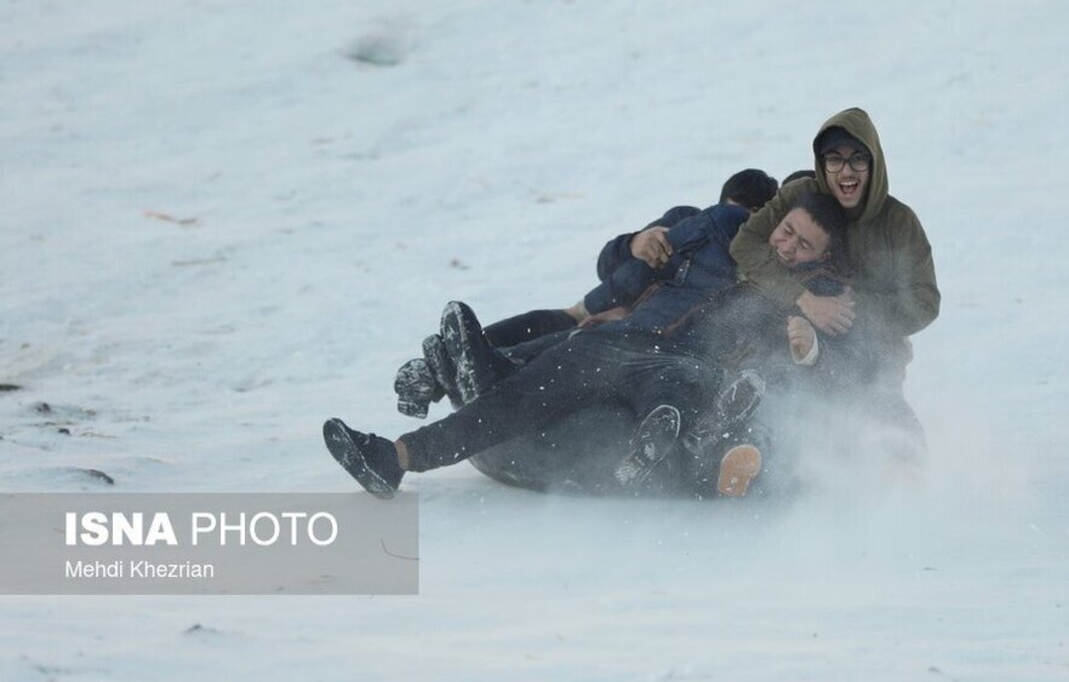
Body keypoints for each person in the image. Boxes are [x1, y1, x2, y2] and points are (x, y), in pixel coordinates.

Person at [322, 192, 850, 500]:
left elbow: (825, 367)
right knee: (518, 398)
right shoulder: (722, 232)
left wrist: (806, 345)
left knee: (675, 397)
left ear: (818, 260)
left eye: (802, 245)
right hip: (616, 340)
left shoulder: (809, 298)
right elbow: (628, 264)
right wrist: (639, 240)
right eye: (786, 231)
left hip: (684, 365)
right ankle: (397, 456)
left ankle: (658, 454)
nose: (786, 246)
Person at [394, 169, 779, 415]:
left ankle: (470, 374)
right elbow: (607, 266)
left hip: (634, 338)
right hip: (599, 309)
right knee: (552, 320)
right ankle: (437, 369)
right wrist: (633, 243)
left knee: (573, 339)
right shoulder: (685, 221)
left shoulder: (745, 275)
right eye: (729, 214)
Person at [730, 107, 939, 448]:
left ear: (874, 164)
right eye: (835, 159)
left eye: (858, 159)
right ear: (821, 162)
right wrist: (804, 299)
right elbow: (746, 243)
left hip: (871, 351)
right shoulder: (800, 195)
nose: (846, 170)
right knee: (773, 383)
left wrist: (849, 309)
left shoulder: (899, 222)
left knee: (875, 400)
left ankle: (903, 466)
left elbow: (926, 302)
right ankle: (752, 457)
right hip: (784, 328)